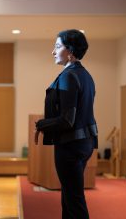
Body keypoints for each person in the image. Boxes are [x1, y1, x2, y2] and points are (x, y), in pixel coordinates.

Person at [35, 29, 98, 219]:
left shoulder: (68, 76)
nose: (53, 52)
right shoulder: (85, 75)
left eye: (57, 46)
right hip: (84, 143)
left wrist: (41, 124)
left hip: (70, 146)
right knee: (70, 197)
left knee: (73, 200)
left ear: (70, 50)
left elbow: (66, 120)